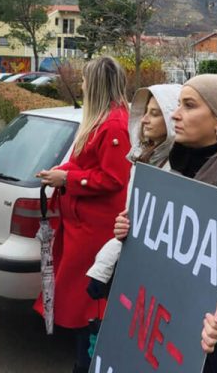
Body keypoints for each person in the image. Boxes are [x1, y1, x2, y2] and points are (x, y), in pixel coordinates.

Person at [113, 75, 217, 372]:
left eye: (189, 106)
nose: (175, 114)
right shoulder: (173, 168)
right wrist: (133, 233)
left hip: (212, 352)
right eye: (178, 105)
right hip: (165, 332)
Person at [34, 56, 132, 373]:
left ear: (97, 85)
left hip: (94, 229)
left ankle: (88, 361)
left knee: (88, 303)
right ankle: (85, 358)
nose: (82, 85)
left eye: (86, 80)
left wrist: (68, 179)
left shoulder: (114, 124)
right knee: (81, 301)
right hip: (82, 225)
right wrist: (61, 172)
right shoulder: (102, 120)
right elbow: (84, 165)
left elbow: (113, 178)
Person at [86, 84, 181, 293]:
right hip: (133, 261)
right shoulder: (144, 157)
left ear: (172, 118)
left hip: (155, 274)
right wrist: (124, 226)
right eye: (145, 112)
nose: (145, 119)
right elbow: (134, 219)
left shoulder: (178, 168)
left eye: (155, 114)